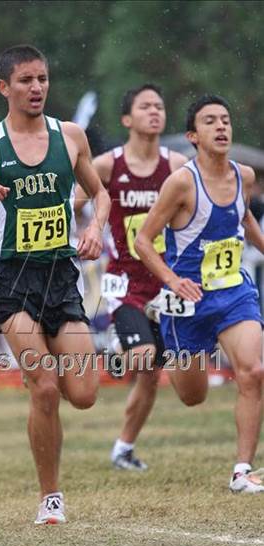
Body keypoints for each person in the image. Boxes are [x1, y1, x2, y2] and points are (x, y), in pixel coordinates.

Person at [0, 45, 111, 523]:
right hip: (10, 280)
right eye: (26, 81)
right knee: (46, 388)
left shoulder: (70, 137)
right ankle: (50, 497)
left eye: (42, 79)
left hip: (60, 276)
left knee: (85, 393)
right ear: (4, 87)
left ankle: (46, 376)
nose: (37, 88)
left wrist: (94, 227)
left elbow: (99, 192)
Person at [135, 94, 264, 493]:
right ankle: (166, 331)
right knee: (194, 396)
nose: (221, 127)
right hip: (186, 300)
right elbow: (143, 241)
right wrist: (172, 282)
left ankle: (242, 471)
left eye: (225, 120)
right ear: (193, 135)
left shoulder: (244, 176)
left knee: (254, 371)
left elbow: (241, 217)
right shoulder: (181, 183)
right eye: (210, 121)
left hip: (233, 291)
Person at [75, 84, 187, 471]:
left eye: (159, 105)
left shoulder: (176, 166)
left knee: (154, 375)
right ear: (127, 119)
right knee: (144, 358)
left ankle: (123, 447)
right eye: (145, 106)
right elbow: (74, 199)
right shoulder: (108, 165)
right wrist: (79, 229)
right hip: (123, 282)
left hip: (166, 281)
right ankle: (114, 349)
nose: (155, 112)